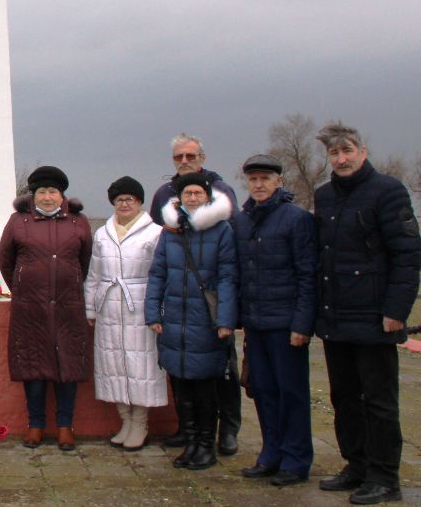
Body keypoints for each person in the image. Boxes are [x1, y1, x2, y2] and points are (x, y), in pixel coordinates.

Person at [312, 123, 419, 505]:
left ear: (363, 151)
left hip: (375, 317)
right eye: (334, 154)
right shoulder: (324, 197)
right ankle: (355, 465)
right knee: (344, 398)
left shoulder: (388, 191)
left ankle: (385, 476)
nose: (341, 159)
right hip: (336, 317)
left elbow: (407, 255)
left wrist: (396, 310)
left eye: (348, 151)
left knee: (379, 401)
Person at [149, 133, 241, 456]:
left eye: (190, 156)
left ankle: (227, 429)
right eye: (179, 157)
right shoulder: (164, 192)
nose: (184, 162)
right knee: (182, 369)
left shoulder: (220, 189)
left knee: (221, 371)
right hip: (179, 303)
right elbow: (160, 241)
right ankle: (187, 432)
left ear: (202, 156)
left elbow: (233, 247)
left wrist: (228, 312)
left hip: (210, 303)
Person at [231, 154, 317, 488]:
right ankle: (271, 453)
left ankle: (296, 460)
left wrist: (302, 324)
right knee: (264, 391)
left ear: (278, 181)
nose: (259, 185)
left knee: (291, 393)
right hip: (256, 322)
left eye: (265, 179)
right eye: (253, 179)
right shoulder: (242, 221)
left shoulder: (295, 219)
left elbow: (307, 273)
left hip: (286, 324)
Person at [0, 166, 92, 451]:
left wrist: (69, 284)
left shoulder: (79, 222)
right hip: (30, 309)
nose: (48, 197)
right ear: (33, 195)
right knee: (33, 368)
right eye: (42, 192)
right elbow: (6, 261)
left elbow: (84, 261)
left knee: (68, 368)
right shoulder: (18, 222)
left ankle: (66, 426)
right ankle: (35, 425)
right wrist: (24, 289)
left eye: (53, 191)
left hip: (68, 307)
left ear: (62, 195)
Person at [84, 176, 166, 452]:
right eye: (119, 200)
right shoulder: (102, 234)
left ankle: (141, 422)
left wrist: (158, 308)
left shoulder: (155, 233)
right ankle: (125, 420)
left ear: (140, 202)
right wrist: (90, 307)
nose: (124, 204)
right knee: (114, 365)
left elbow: (160, 273)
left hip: (140, 306)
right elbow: (94, 274)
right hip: (109, 306)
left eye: (130, 199)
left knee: (140, 365)